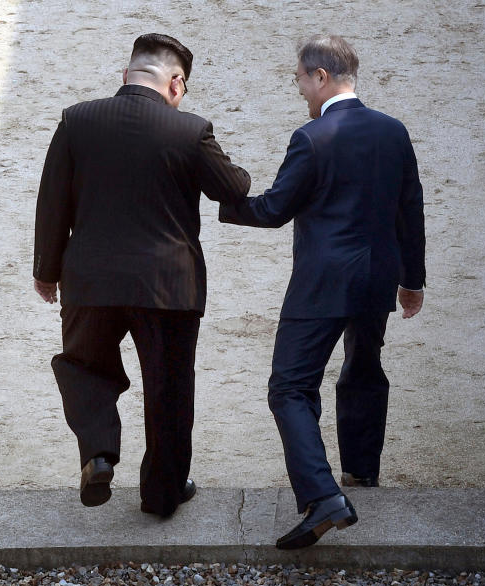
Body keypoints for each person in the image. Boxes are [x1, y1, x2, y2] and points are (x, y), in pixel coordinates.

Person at [219, 35, 425, 549]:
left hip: (322, 282)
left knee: (289, 387)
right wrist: (412, 280)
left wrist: (226, 199)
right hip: (377, 277)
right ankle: (361, 470)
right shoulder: (394, 132)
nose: (300, 90)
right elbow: (410, 210)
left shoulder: (312, 137)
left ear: (321, 77)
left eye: (300, 80)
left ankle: (323, 495)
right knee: (364, 366)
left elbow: (273, 210)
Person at [34, 33, 250, 517]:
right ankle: (162, 493)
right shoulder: (189, 131)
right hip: (169, 286)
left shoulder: (76, 121)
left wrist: (46, 272)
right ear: (176, 83)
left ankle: (98, 452)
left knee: (83, 366)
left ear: (125, 75)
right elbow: (232, 188)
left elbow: (52, 203)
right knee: (169, 388)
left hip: (90, 281)